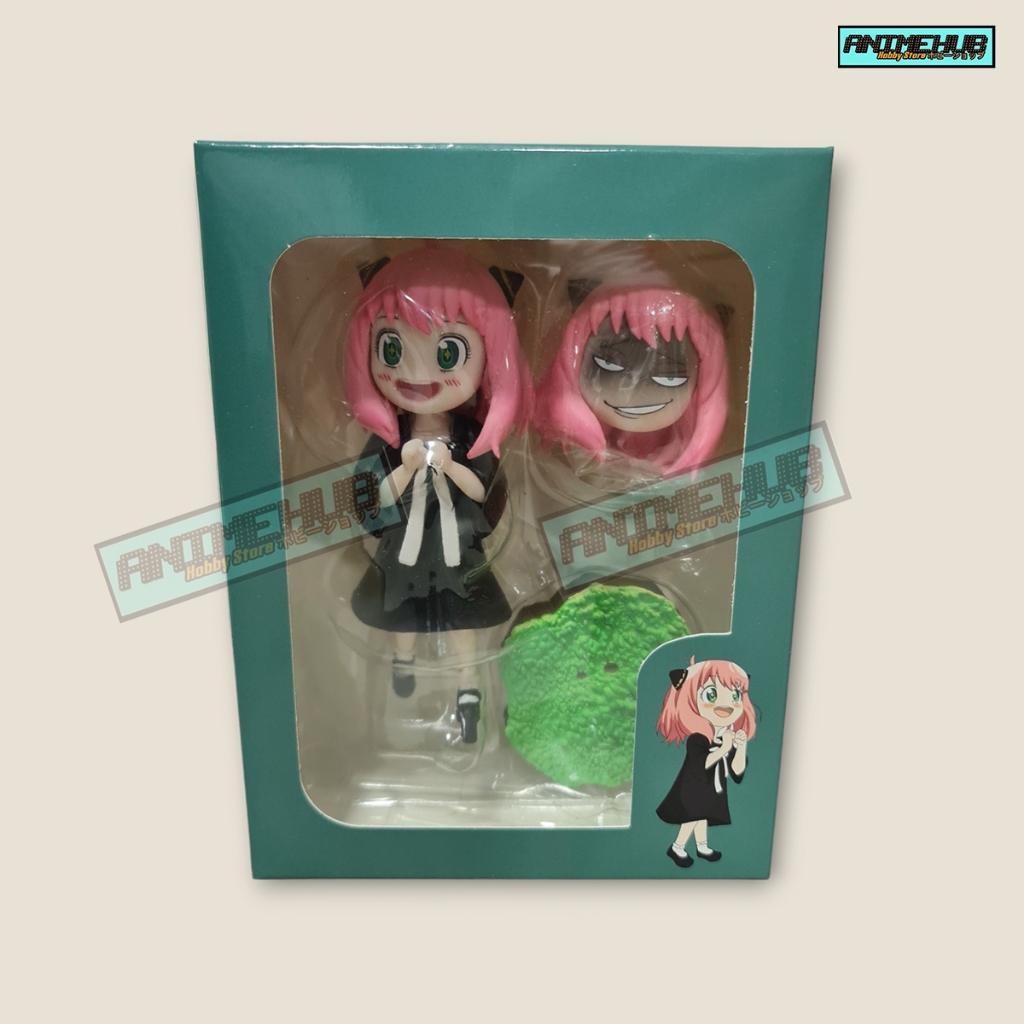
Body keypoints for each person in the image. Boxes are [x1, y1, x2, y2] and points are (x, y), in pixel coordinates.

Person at [655, 655, 756, 866]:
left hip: (711, 788)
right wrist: (724, 748)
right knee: (691, 818)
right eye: (711, 694)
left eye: (735, 695)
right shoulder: (698, 739)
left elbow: (737, 773)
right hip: (691, 787)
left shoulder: (727, 735)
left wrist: (740, 746)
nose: (726, 705)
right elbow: (701, 764)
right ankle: (677, 847)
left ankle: (702, 846)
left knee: (702, 816)